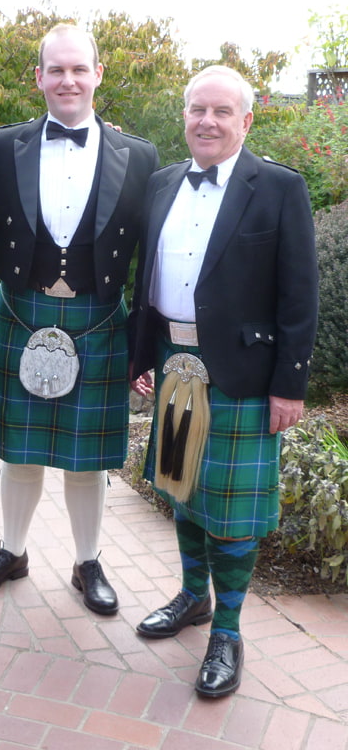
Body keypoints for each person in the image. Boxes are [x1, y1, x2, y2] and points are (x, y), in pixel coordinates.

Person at [129, 65, 318, 696]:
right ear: (184, 115)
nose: (206, 122)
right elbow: (146, 283)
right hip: (175, 364)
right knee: (183, 490)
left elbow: (299, 295)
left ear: (246, 119)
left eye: (220, 112)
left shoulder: (279, 188)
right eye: (196, 110)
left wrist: (289, 385)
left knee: (232, 514)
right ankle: (192, 598)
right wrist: (141, 359)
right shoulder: (160, 184)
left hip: (241, 375)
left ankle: (229, 631)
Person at [0, 24, 158, 615]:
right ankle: (12, 551)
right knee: (19, 450)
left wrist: (142, 346)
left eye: (79, 69)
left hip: (99, 316)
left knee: (88, 455)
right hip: (24, 310)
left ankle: (87, 560)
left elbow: (149, 260)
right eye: (56, 69)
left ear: (98, 74)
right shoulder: (1, 145)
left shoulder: (140, 155)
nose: (68, 79)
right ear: (38, 77)